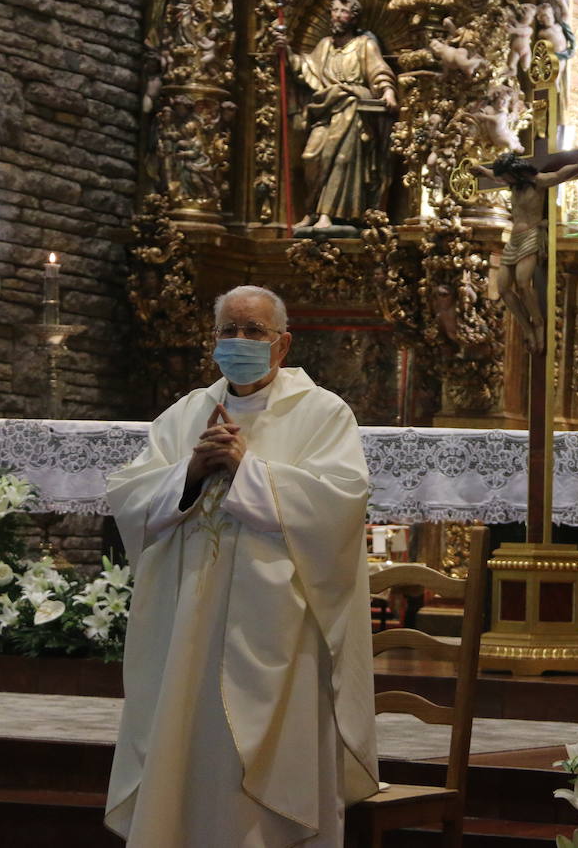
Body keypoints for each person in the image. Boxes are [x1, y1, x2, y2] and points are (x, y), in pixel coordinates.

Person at [105, 285, 378, 847]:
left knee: (260, 761)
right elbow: (130, 497)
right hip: (189, 626)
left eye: (254, 331)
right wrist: (190, 471)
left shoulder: (322, 412)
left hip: (278, 630)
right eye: (228, 330)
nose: (239, 341)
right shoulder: (186, 414)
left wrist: (247, 468)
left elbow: (341, 506)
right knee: (188, 748)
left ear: (282, 344)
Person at [275, 0, 400, 230]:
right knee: (312, 156)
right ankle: (312, 210)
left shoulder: (364, 45)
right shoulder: (324, 46)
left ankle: (327, 215)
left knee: (342, 160)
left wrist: (388, 93)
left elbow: (378, 71)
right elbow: (306, 69)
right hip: (326, 110)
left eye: (342, 11)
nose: (336, 15)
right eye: (334, 10)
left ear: (353, 18)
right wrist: (286, 52)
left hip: (353, 109)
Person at [470, 151, 578, 354]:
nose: (504, 180)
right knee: (502, 287)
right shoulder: (512, 183)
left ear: (516, 171)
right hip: (514, 240)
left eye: (507, 175)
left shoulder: (538, 181)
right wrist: (482, 170)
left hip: (530, 235)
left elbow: (559, 175)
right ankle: (526, 328)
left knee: (522, 282)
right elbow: (495, 176)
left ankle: (538, 323)